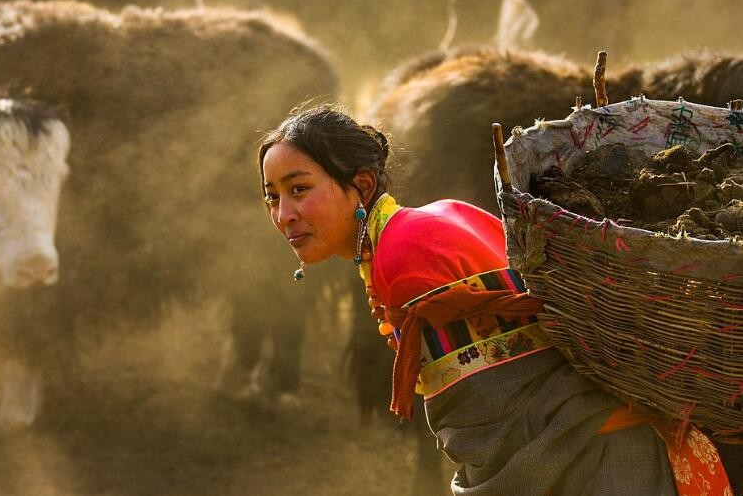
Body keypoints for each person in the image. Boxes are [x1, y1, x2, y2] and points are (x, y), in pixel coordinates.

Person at [258, 103, 732, 496]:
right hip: (620, 446)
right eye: (273, 197)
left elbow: (496, 437)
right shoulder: (442, 214)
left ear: (360, 186)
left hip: (597, 470)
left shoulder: (403, 256)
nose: (285, 215)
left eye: (300, 189)